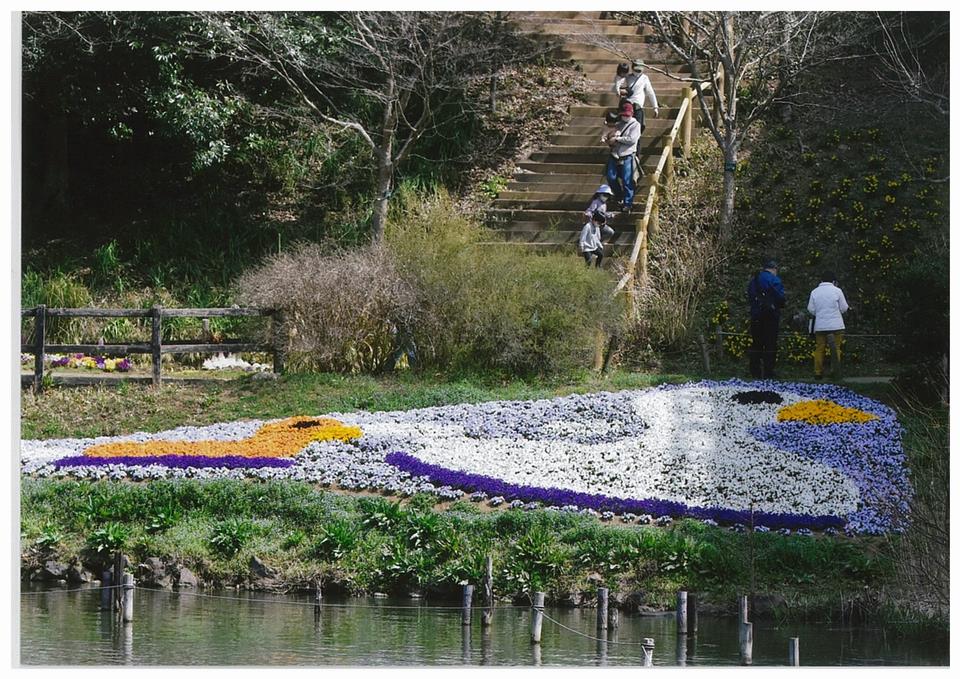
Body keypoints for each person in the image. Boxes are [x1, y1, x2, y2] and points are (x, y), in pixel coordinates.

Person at [746, 258, 786, 379]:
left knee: (756, 343)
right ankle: (768, 372)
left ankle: (755, 371)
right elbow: (781, 298)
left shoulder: (754, 280)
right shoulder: (775, 280)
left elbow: (750, 295)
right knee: (770, 344)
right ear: (774, 269)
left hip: (756, 315)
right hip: (771, 316)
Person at [807, 272, 850, 379]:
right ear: (833, 281)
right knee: (836, 348)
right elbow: (844, 308)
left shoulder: (814, 292)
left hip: (820, 325)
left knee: (820, 348)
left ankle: (818, 372)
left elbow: (811, 309)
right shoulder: (837, 291)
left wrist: (820, 313)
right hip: (836, 325)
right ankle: (834, 372)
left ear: (821, 281)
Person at [604, 102, 642, 215]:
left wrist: (618, 139)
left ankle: (627, 203)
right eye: (624, 115)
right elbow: (610, 132)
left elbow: (632, 139)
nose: (625, 116)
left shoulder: (636, 125)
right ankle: (618, 195)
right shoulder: (618, 124)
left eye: (627, 115)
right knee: (611, 177)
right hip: (615, 154)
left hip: (628, 155)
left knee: (627, 180)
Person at [623, 59, 659, 133]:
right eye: (636, 70)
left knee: (638, 128)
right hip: (628, 105)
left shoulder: (644, 78)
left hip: (638, 106)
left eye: (639, 71)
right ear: (632, 68)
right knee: (627, 128)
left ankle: (637, 143)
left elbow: (650, 92)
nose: (637, 72)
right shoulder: (627, 78)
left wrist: (655, 107)